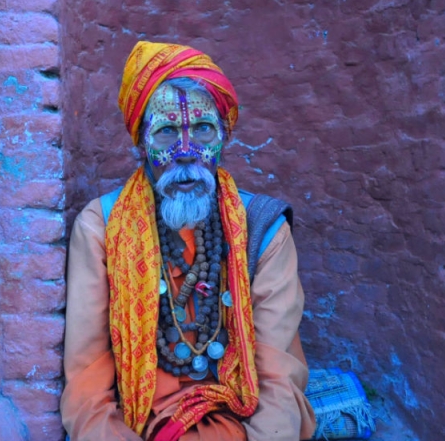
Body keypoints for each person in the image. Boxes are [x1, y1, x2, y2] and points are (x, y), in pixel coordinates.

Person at [61, 41, 316, 441]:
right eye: (165, 133)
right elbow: (87, 386)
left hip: (240, 423)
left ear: (224, 138)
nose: (185, 152)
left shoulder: (263, 229)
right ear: (140, 145)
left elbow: (278, 378)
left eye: (202, 130)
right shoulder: (100, 227)